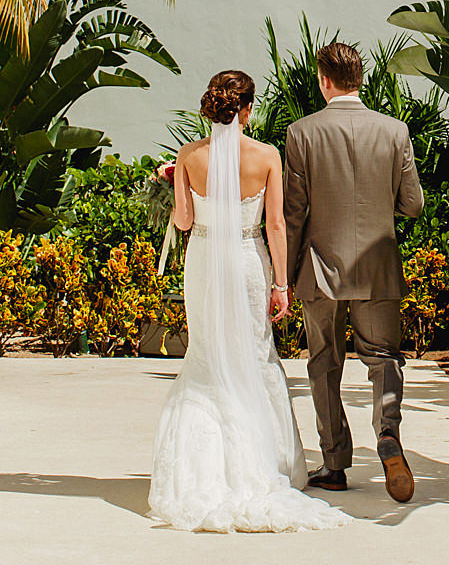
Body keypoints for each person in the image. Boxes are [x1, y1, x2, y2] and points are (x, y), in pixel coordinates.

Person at [147, 70, 349, 532]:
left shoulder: (188, 156)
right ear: (246, 109)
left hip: (203, 257)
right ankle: (265, 462)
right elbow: (276, 225)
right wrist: (281, 283)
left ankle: (200, 471)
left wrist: (174, 180)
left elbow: (181, 221)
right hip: (246, 258)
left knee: (207, 353)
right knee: (256, 354)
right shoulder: (266, 155)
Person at [284, 41, 426, 502]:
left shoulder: (302, 133)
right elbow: (413, 205)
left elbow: (293, 214)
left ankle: (334, 463)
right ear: (359, 79)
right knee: (383, 358)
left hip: (321, 269)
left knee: (324, 363)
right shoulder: (394, 131)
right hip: (378, 268)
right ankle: (387, 435)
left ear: (323, 80)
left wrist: (283, 279)